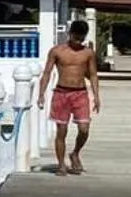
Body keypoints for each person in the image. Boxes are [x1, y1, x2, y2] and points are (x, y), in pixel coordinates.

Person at [37, 19, 101, 174]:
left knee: (84, 129)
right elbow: (47, 72)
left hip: (80, 93)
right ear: (70, 33)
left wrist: (97, 96)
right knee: (62, 131)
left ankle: (75, 153)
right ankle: (61, 164)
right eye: (76, 37)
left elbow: (93, 74)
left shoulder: (88, 53)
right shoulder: (57, 51)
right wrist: (41, 94)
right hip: (61, 93)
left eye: (81, 38)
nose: (78, 40)